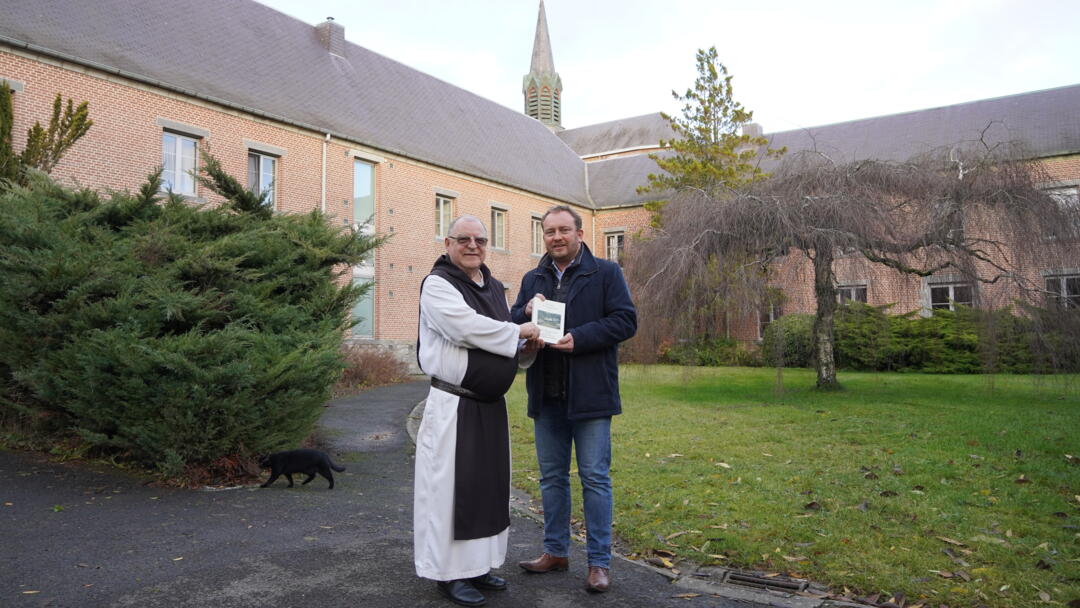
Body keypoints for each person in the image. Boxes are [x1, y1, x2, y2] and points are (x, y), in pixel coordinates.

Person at [414, 215, 542, 607]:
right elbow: (465, 328)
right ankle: (448, 574)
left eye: (481, 240)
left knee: (488, 490)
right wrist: (518, 331)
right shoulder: (438, 284)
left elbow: (498, 335)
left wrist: (525, 347)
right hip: (454, 406)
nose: (473, 245)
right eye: (464, 239)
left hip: (489, 407)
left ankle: (479, 566)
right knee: (450, 493)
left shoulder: (492, 287)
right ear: (447, 243)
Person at [510, 205, 637, 593]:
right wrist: (525, 313)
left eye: (564, 230)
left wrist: (580, 338)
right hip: (546, 395)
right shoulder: (533, 277)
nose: (556, 237)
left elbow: (625, 320)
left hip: (590, 395)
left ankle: (599, 563)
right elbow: (512, 321)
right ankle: (555, 551)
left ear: (580, 234)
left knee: (595, 479)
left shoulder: (606, 273)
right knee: (551, 479)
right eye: (549, 231)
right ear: (543, 236)